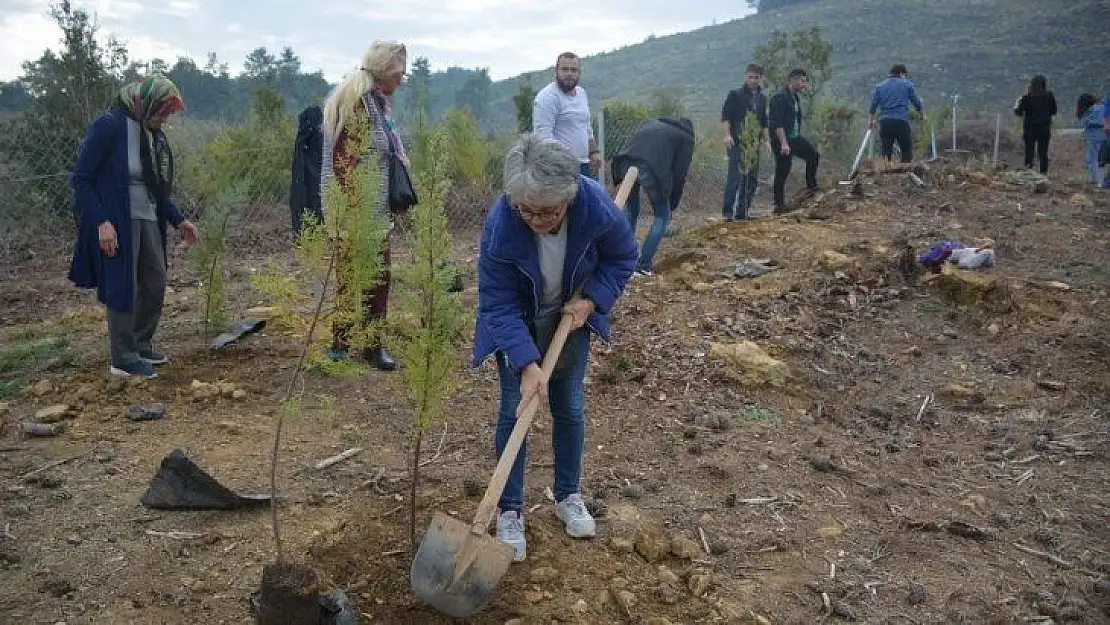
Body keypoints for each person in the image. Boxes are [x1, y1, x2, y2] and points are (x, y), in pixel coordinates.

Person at [472, 134, 637, 562]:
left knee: (570, 406)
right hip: (519, 320)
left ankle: (568, 495)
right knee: (516, 410)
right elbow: (497, 302)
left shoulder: (595, 205)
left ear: (569, 196)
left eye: (547, 211)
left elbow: (623, 257)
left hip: (570, 315)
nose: (535, 220)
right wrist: (526, 363)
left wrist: (592, 299)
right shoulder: (503, 221)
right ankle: (510, 510)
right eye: (526, 209)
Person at [68, 75, 200, 379]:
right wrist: (102, 222)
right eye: (163, 112)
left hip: (148, 215)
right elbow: (81, 179)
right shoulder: (110, 126)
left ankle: (140, 344)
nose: (165, 119)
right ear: (148, 103)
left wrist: (178, 220)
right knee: (122, 283)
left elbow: (155, 186)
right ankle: (123, 357)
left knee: (155, 280)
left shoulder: (149, 133)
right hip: (117, 218)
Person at [320, 40, 410, 371]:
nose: (402, 79)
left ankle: (369, 345)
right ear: (385, 72)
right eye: (399, 73)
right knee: (357, 276)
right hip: (355, 210)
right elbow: (344, 162)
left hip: (370, 208)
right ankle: (343, 347)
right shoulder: (359, 103)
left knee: (376, 276)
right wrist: (358, 210)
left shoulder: (375, 102)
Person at [612, 116, 695, 276]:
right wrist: (671, 203)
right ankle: (643, 266)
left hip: (624, 162)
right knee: (661, 216)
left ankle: (622, 260)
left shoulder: (652, 123)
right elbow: (679, 174)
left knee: (630, 212)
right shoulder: (686, 138)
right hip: (650, 168)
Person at [532, 52, 601, 179]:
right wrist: (557, 167)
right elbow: (543, 137)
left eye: (573, 70)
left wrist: (593, 152)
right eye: (564, 69)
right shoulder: (547, 97)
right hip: (559, 168)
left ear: (579, 73)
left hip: (583, 165)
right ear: (556, 71)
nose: (569, 73)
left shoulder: (582, 93)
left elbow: (586, 127)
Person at [720, 64, 769, 220]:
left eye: (756, 77)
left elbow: (763, 121)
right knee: (734, 177)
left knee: (752, 179)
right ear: (745, 76)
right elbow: (726, 116)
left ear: (760, 78)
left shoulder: (762, 98)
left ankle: (743, 212)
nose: (753, 80)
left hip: (753, 144)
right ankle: (727, 212)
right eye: (750, 77)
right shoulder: (735, 95)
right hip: (736, 141)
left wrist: (765, 139)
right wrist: (727, 135)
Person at [768, 68, 820, 214]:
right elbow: (777, 123)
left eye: (805, 81)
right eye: (802, 81)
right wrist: (784, 143)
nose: (804, 84)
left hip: (794, 137)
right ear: (793, 80)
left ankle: (812, 186)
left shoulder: (794, 97)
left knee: (813, 155)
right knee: (783, 170)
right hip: (781, 140)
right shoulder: (780, 97)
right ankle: (779, 206)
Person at [869, 64, 925, 163]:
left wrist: (871, 120)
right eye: (904, 75)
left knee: (886, 150)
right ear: (901, 73)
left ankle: (885, 172)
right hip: (901, 121)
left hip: (885, 122)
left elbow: (874, 105)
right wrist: (922, 115)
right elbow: (916, 102)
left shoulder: (880, 86)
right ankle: (906, 172)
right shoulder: (907, 85)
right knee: (906, 148)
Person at [289, 104, 324, 241]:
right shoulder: (317, 136)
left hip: (304, 179)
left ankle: (307, 233)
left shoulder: (303, 137)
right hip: (315, 179)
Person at [1013, 75, 1057, 174]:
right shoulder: (1049, 96)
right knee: (1043, 152)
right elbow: (1054, 111)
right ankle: (1043, 174)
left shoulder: (1026, 98)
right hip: (1044, 128)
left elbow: (1018, 112)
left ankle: (1028, 172)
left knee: (1029, 152)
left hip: (1030, 129)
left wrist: (1016, 104)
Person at [1077, 94, 1107, 187]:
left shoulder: (1091, 110)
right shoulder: (1103, 105)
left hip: (1093, 137)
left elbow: (1084, 122)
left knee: (1092, 159)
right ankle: (1102, 179)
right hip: (1105, 135)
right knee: (1103, 159)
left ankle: (1096, 180)